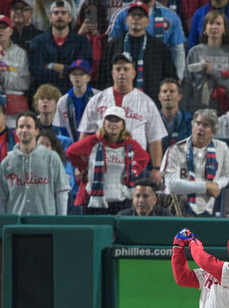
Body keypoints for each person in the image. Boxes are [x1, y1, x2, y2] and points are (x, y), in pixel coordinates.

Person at [78, 52, 166, 186]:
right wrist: (81, 164)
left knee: (134, 204)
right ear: (112, 73)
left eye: (126, 69)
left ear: (134, 73)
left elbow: (154, 138)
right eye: (118, 69)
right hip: (103, 164)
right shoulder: (98, 100)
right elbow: (85, 133)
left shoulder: (146, 102)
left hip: (135, 165)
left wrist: (156, 168)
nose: (121, 73)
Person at [66, 105, 149, 214]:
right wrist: (84, 168)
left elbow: (145, 158)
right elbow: (70, 152)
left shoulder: (130, 144)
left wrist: (133, 171)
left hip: (121, 201)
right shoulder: (93, 141)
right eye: (109, 120)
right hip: (95, 201)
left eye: (117, 121)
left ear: (122, 125)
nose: (113, 124)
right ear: (104, 123)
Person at [0, 111, 70, 215]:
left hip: (44, 225)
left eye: (29, 127)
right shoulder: (7, 161)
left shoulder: (52, 158)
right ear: (16, 131)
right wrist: (0, 225)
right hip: (16, 225)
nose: (24, 130)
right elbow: (1, 199)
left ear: (36, 131)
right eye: (21, 127)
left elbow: (61, 193)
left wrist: (61, 223)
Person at [161, 108, 229, 217]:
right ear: (192, 126)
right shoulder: (175, 150)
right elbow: (171, 184)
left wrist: (217, 185)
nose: (200, 128)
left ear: (213, 132)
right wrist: (205, 187)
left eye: (205, 125)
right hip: (177, 211)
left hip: (207, 209)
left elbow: (227, 174)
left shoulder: (222, 148)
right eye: (198, 123)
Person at [99, 1, 175, 102]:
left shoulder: (160, 47)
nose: (136, 18)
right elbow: (104, 75)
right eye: (133, 15)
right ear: (126, 19)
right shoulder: (114, 45)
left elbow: (169, 77)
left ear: (147, 21)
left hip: (150, 103)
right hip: (117, 102)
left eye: (141, 15)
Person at [107, 0, 187, 79]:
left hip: (159, 74)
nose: (136, 18)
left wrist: (179, 77)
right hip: (126, 76)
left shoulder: (171, 16)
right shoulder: (121, 14)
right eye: (134, 15)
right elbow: (111, 49)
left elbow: (177, 50)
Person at [182, 8, 229, 114]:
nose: (214, 27)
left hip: (224, 110)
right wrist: (184, 111)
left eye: (218, 24)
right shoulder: (194, 52)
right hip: (196, 110)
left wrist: (213, 72)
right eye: (211, 23)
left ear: (224, 29)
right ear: (204, 28)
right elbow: (187, 83)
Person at [28, 0, 92, 95]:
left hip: (72, 93)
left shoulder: (82, 42)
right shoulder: (38, 42)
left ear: (70, 17)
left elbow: (83, 70)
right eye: (56, 13)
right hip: (44, 94)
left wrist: (51, 65)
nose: (59, 16)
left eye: (63, 12)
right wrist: (66, 70)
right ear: (50, 17)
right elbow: (36, 71)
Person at [54, 59, 98, 143]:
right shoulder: (63, 101)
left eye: (81, 74)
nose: (77, 77)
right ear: (70, 77)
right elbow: (60, 127)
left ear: (88, 77)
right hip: (70, 147)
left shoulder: (98, 97)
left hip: (93, 145)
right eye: (74, 74)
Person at [158, 78, 192, 152]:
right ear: (159, 97)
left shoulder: (189, 121)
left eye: (172, 91)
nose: (168, 94)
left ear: (180, 96)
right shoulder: (151, 121)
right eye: (164, 91)